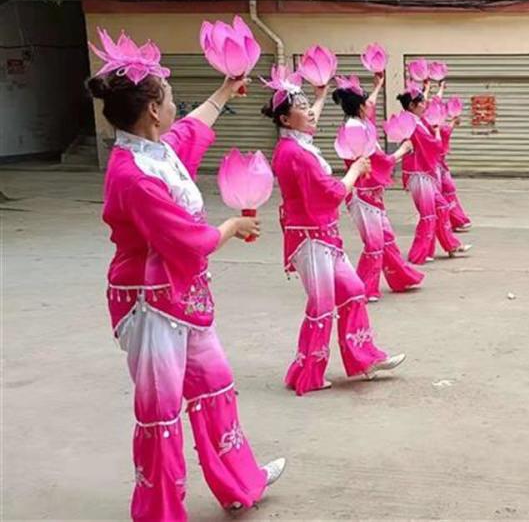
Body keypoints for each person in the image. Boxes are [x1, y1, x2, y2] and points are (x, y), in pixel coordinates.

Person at [92, 28, 284, 520]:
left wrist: (226, 88)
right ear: (153, 109)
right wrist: (232, 226)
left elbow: (189, 131)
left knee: (217, 384)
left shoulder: (154, 152)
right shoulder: (132, 175)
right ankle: (158, 510)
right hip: (148, 302)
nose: (178, 105)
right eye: (172, 98)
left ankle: (241, 480)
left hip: (183, 298)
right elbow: (185, 242)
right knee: (159, 411)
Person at [263, 65, 405, 396]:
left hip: (322, 236)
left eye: (308, 107)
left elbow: (309, 114)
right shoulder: (295, 153)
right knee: (322, 305)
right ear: (285, 120)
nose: (310, 114)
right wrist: (355, 171)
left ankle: (362, 358)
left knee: (354, 290)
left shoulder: (297, 144)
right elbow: (330, 192)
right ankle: (308, 374)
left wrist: (320, 95)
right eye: (302, 109)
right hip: (310, 239)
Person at [331, 73, 424, 302]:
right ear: (360, 107)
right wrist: (402, 151)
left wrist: (378, 85)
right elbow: (378, 161)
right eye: (366, 102)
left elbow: (370, 104)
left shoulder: (358, 123)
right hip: (362, 193)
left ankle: (401, 277)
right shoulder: (356, 130)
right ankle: (362, 288)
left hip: (371, 192)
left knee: (386, 238)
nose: (370, 106)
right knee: (374, 243)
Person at [397, 81, 471, 264]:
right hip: (419, 175)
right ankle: (419, 254)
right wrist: (438, 132)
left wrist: (447, 124)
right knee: (429, 214)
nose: (425, 104)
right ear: (412, 106)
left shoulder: (417, 120)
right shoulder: (412, 124)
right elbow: (434, 145)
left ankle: (449, 245)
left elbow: (436, 127)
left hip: (423, 173)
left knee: (441, 207)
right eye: (421, 102)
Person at [433, 81, 473, 232]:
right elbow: (444, 132)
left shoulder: (437, 116)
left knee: (448, 189)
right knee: (443, 191)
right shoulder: (428, 121)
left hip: (441, 161)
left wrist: (441, 88)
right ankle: (451, 221)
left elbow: (436, 99)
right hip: (432, 163)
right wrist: (452, 123)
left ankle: (456, 219)